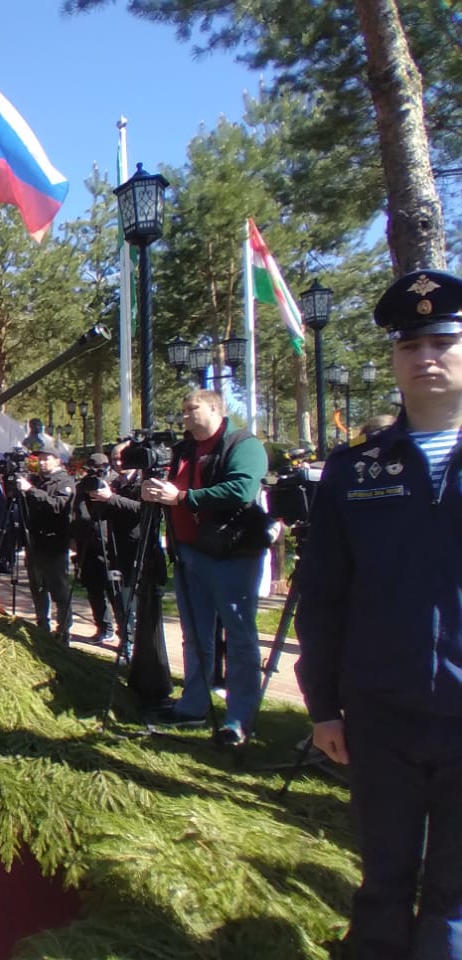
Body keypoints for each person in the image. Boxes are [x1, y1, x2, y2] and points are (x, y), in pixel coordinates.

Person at [296, 269, 462, 960]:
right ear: (393, 360)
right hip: (380, 710)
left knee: (454, 896)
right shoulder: (355, 470)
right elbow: (322, 594)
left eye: (441, 342)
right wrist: (323, 705)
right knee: (383, 879)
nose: (425, 357)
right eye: (409, 345)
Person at [142, 389, 269, 746]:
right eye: (183, 409)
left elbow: (241, 489)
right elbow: (175, 489)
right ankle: (193, 705)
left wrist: (184, 498)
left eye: (191, 408)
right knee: (195, 635)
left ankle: (239, 719)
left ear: (214, 408)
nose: (184, 415)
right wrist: (156, 491)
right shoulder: (184, 449)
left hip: (232, 554)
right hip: (188, 552)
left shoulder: (243, 445)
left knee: (239, 636)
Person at [92, 440, 172, 708]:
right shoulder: (114, 483)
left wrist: (111, 499)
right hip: (118, 550)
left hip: (141, 549)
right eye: (115, 458)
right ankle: (125, 644)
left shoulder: (144, 482)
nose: (118, 462)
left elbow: (144, 510)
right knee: (121, 600)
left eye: (122, 458)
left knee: (139, 604)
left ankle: (144, 658)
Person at [17, 447, 75, 638]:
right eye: (40, 459)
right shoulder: (37, 481)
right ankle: (42, 625)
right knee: (38, 588)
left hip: (54, 544)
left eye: (46, 459)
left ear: (57, 461)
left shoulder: (64, 481)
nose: (41, 462)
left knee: (58, 590)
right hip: (35, 543)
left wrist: (31, 490)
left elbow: (58, 505)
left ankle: (63, 629)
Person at [71, 452, 117, 644]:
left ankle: (127, 634)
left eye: (98, 469)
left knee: (114, 591)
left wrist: (107, 493)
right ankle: (104, 628)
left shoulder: (114, 483)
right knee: (94, 590)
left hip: (109, 546)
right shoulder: (82, 486)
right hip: (86, 546)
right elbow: (77, 514)